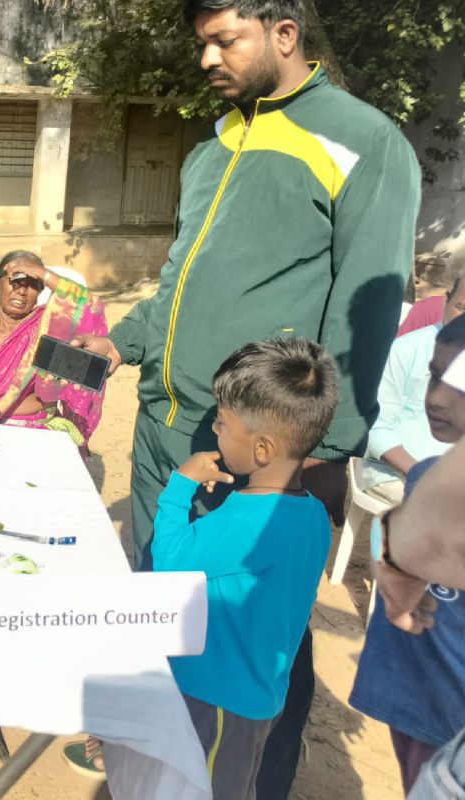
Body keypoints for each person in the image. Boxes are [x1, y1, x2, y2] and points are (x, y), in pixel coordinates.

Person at [69, 0, 421, 792]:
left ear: (284, 33)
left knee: (256, 634)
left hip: (258, 452)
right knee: (164, 604)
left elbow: (367, 311)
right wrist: (123, 342)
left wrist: (324, 452)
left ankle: (254, 780)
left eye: (224, 40)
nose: (207, 59)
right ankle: (160, 759)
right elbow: (181, 281)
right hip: (168, 432)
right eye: (202, 43)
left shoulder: (366, 143)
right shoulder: (217, 144)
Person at [152, 338, 337, 798]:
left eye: (222, 422)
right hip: (259, 695)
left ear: (262, 448)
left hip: (214, 699)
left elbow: (170, 567)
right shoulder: (314, 515)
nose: (214, 430)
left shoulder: (244, 520)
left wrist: (179, 488)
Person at [350, 315, 465, 794]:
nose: (435, 398)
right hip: (416, 703)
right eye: (435, 376)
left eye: (458, 383)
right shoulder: (427, 477)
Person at [0, 250, 108, 447]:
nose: (22, 291)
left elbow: (89, 306)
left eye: (33, 284)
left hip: (31, 430)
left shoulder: (47, 330)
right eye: (16, 280)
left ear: (40, 292)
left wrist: (44, 274)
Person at [361, 272, 465, 502]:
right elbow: (377, 426)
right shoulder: (407, 350)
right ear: (447, 299)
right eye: (462, 308)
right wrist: (419, 472)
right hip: (397, 473)